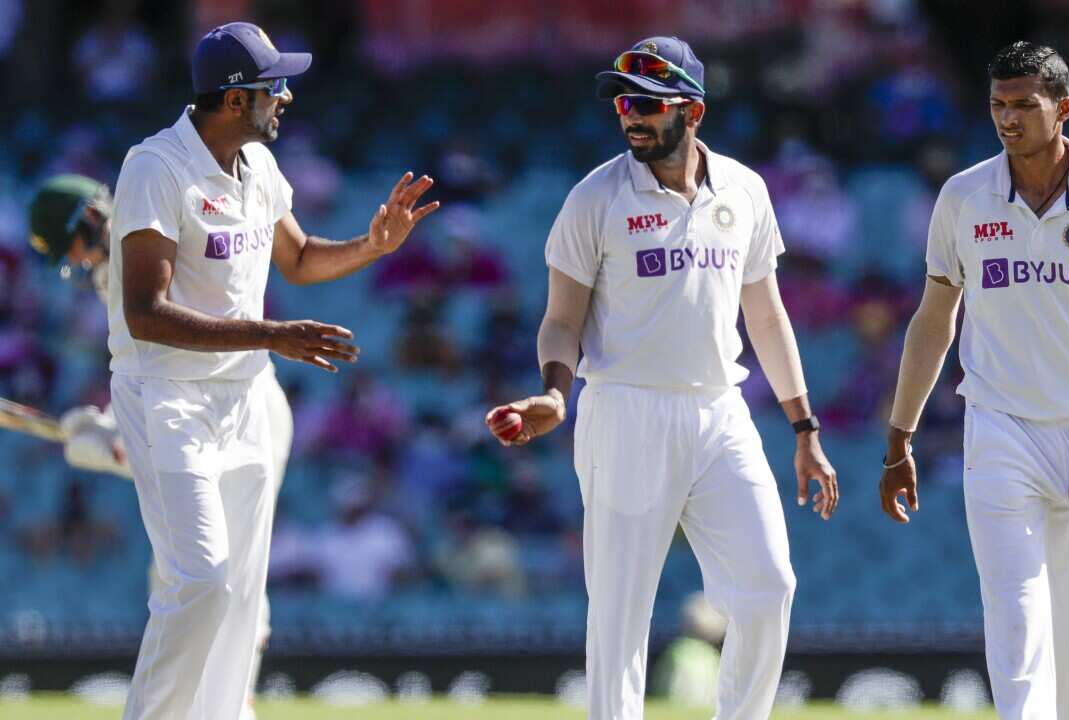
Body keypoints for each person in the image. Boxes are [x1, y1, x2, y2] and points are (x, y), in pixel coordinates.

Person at [484, 36, 838, 719]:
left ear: (692, 111)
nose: (631, 117)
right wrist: (556, 391)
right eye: (623, 104)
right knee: (620, 613)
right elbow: (561, 319)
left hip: (720, 411)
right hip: (625, 410)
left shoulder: (745, 189)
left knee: (769, 588)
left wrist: (804, 427)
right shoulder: (596, 197)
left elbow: (767, 316)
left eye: (647, 104)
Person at [106, 22, 437, 719]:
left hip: (246, 395)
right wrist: (271, 334)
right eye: (274, 86)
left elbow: (300, 258)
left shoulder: (256, 163)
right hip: (170, 397)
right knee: (202, 582)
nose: (285, 97)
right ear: (235, 99)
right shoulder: (155, 167)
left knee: (241, 597)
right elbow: (145, 313)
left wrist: (373, 246)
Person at [878, 41, 1069, 719]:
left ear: (1063, 108)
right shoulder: (963, 196)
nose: (1007, 119)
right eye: (997, 105)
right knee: (1014, 612)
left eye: (1024, 105)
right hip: (999, 427)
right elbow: (933, 321)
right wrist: (900, 438)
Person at [27, 172, 294, 717]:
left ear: (91, 219)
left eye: (73, 249)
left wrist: (107, 443)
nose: (77, 263)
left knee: (209, 580)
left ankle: (229, 703)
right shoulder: (116, 273)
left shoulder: (150, 244)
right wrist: (109, 427)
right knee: (192, 576)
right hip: (219, 405)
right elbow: (154, 377)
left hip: (242, 409)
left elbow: (182, 387)